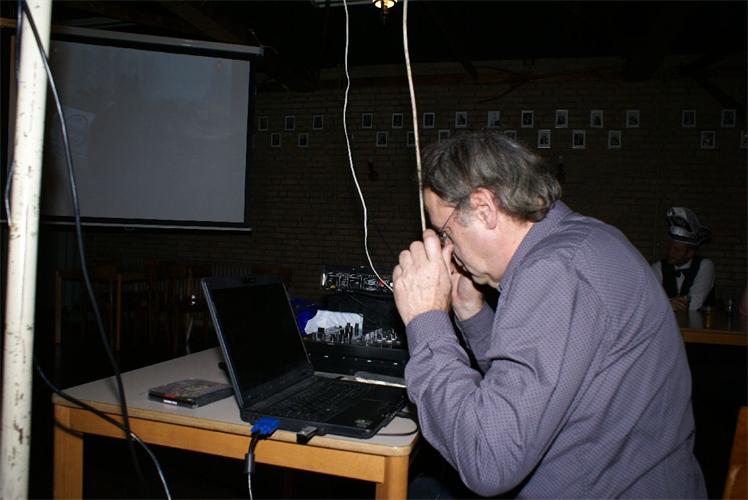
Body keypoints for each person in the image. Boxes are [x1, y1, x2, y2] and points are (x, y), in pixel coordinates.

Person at [392, 131, 706, 498]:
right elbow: (526, 393)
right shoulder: (580, 242)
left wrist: (426, 319)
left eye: (444, 233)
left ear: (484, 208)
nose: (447, 249)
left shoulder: (554, 272)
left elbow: (488, 457)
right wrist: (470, 310)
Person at [651, 207, 714, 311]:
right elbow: (651, 300)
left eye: (677, 249)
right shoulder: (657, 267)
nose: (670, 252)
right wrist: (669, 303)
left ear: (690, 253)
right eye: (669, 247)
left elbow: (695, 303)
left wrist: (666, 303)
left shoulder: (705, 266)